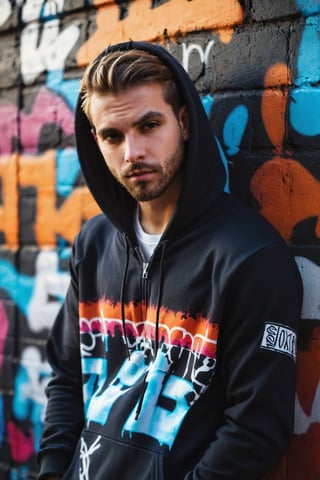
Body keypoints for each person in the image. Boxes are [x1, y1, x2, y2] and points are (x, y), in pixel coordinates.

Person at [37, 41, 302, 480]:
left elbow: (256, 431)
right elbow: (67, 378)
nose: (132, 153)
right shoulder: (93, 245)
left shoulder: (250, 259)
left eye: (149, 125)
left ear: (183, 122)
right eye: (113, 136)